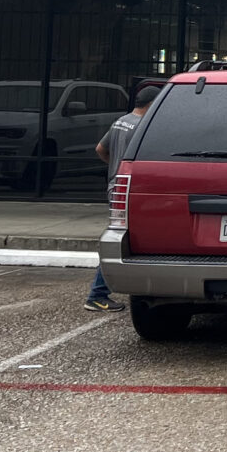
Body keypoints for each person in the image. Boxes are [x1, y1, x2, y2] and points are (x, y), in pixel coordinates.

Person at [83, 82, 161, 311]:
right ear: (152, 105)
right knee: (124, 240)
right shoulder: (142, 127)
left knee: (124, 237)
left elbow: (100, 149)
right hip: (129, 192)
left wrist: (115, 169)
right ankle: (97, 295)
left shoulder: (121, 121)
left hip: (115, 187)